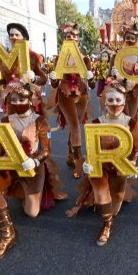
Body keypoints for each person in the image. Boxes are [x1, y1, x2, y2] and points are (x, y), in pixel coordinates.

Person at [0, 78, 64, 260]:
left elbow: (46, 150)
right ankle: (8, 234)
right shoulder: (5, 119)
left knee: (32, 212)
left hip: (31, 167)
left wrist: (36, 161)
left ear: (31, 100)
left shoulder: (40, 121)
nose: (17, 103)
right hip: (8, 165)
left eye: (21, 100)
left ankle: (22, 191)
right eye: (13, 100)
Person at [67, 80, 138, 246]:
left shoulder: (132, 123)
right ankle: (107, 226)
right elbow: (91, 150)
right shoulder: (96, 123)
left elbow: (136, 149)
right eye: (110, 100)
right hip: (100, 167)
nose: (114, 104)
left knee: (114, 209)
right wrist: (87, 163)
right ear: (105, 101)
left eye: (118, 100)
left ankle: (107, 208)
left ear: (124, 101)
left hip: (119, 169)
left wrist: (133, 164)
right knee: (101, 191)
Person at [48, 22, 96, 179]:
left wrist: (91, 78)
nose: (72, 38)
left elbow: (92, 85)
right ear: (65, 39)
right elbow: (55, 84)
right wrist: (53, 78)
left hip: (81, 94)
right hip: (65, 93)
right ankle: (77, 160)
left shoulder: (86, 59)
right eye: (69, 36)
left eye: (75, 36)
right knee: (75, 126)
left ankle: (70, 155)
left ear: (78, 40)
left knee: (76, 126)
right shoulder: (58, 59)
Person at [110, 21, 138, 119]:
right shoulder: (116, 56)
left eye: (133, 38)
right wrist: (112, 74)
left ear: (136, 40)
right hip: (119, 90)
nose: (130, 40)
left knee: (131, 119)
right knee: (120, 118)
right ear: (124, 39)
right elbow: (108, 77)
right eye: (128, 38)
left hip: (134, 91)